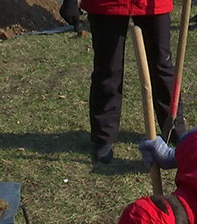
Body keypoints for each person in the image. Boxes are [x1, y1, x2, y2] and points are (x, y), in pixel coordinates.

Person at [75, 0, 186, 163]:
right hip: (107, 5)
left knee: (162, 66)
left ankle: (174, 128)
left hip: (153, 3)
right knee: (108, 68)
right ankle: (103, 136)